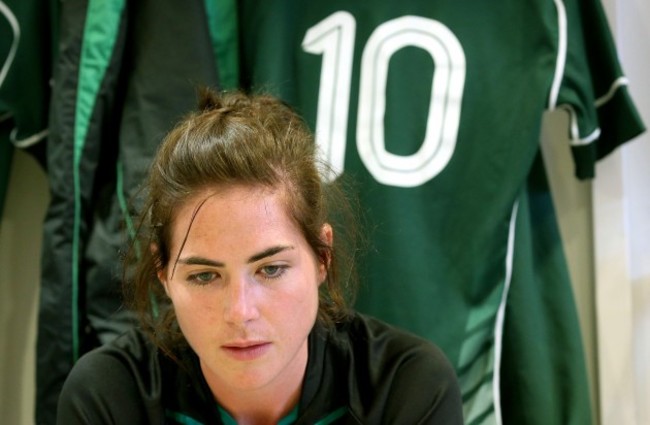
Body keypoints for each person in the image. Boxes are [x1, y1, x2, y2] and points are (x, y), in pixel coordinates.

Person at [57, 89, 463, 424]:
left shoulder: (404, 387)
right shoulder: (109, 397)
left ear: (323, 257)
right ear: (162, 273)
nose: (240, 311)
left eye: (270, 269)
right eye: (203, 276)